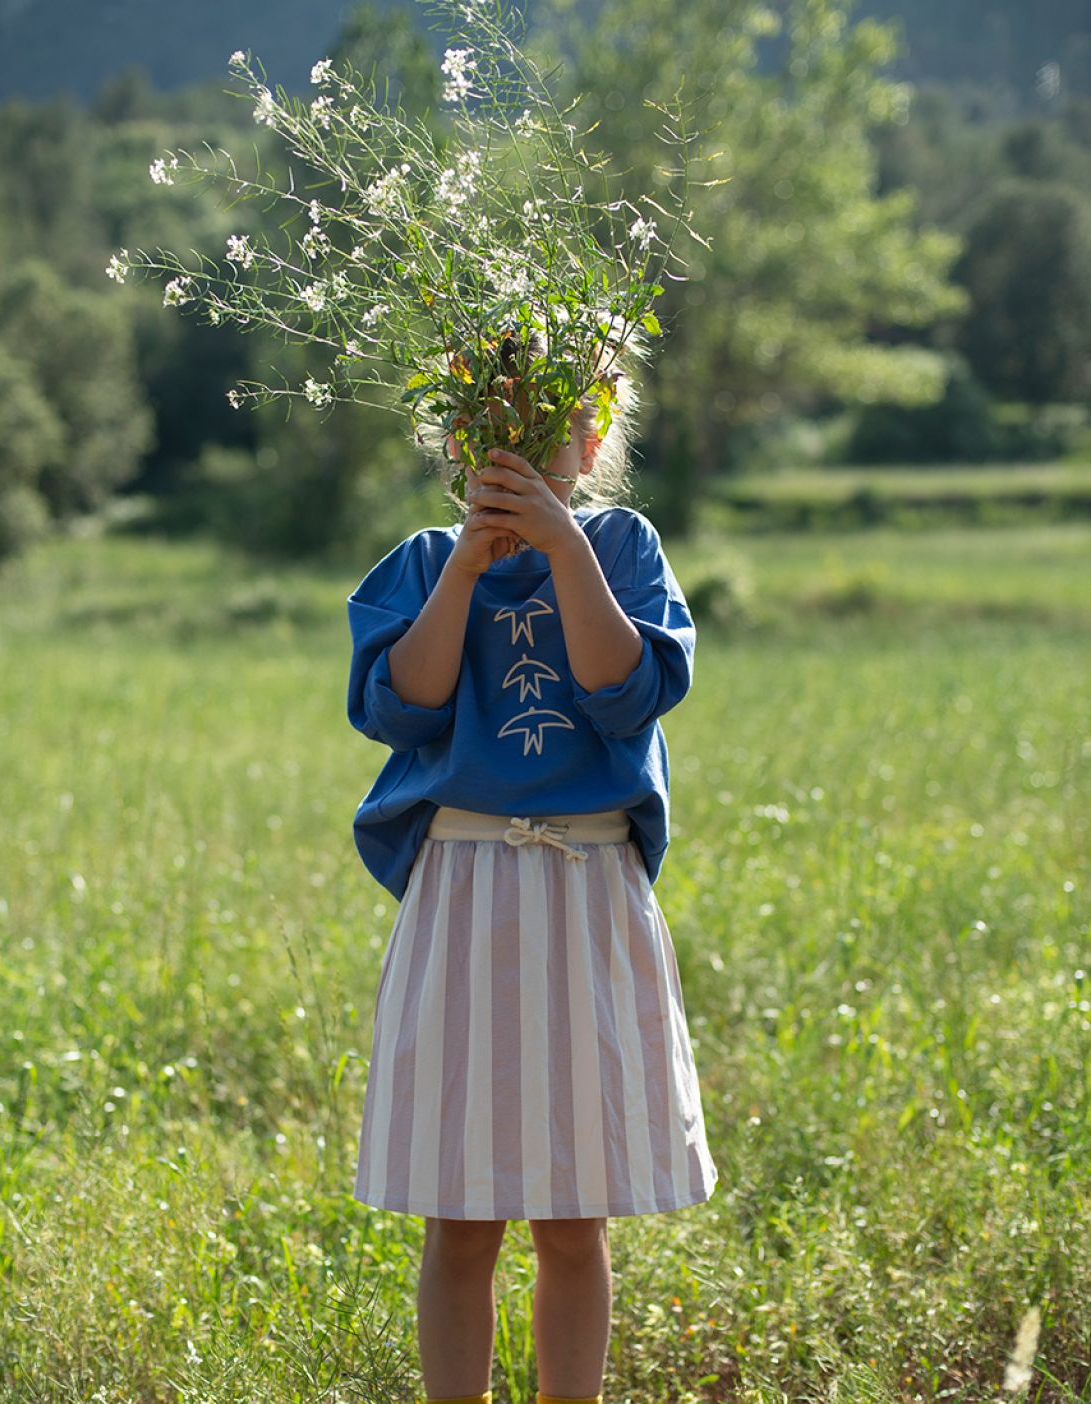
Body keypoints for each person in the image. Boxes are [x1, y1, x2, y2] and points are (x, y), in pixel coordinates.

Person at [344, 331, 719, 1404]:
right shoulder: (423, 563)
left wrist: (563, 548)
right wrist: (469, 563)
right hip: (463, 889)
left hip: (586, 888)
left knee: (572, 1210)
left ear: (589, 441)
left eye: (548, 422)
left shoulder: (624, 546)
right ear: (457, 440)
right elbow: (402, 707)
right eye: (492, 423)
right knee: (460, 1215)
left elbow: (622, 692)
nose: (518, 446)